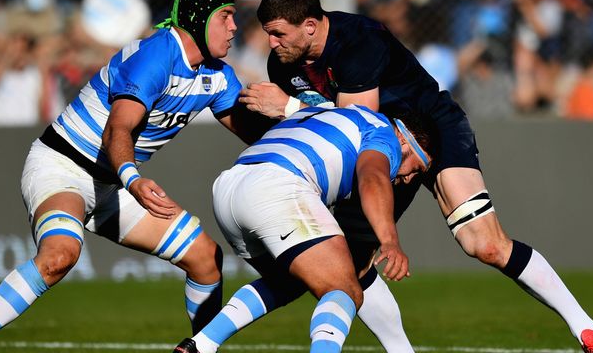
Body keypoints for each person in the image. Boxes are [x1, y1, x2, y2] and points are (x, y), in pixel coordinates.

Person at [237, 0, 593, 353]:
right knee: (348, 267)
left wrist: (288, 108)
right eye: (268, 34)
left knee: (484, 244)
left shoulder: (358, 41)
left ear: (309, 25)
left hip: (427, 131)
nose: (271, 44)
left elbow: (359, 122)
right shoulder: (284, 64)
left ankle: (588, 330)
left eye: (277, 34)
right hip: (376, 152)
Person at [0, 0, 261, 353]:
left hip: (115, 183)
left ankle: (203, 349)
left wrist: (295, 112)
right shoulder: (155, 56)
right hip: (64, 165)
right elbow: (117, 130)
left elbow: (251, 132)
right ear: (199, 18)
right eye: (225, 17)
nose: (234, 27)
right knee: (60, 256)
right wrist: (134, 180)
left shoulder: (217, 75)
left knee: (205, 258)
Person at [173, 104, 433, 353]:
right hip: (278, 186)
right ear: (404, 139)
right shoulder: (385, 133)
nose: (409, 179)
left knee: (288, 282)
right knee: (342, 290)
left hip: (229, 188)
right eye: (416, 168)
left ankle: (201, 344)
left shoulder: (330, 110)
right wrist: (389, 240)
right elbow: (373, 177)